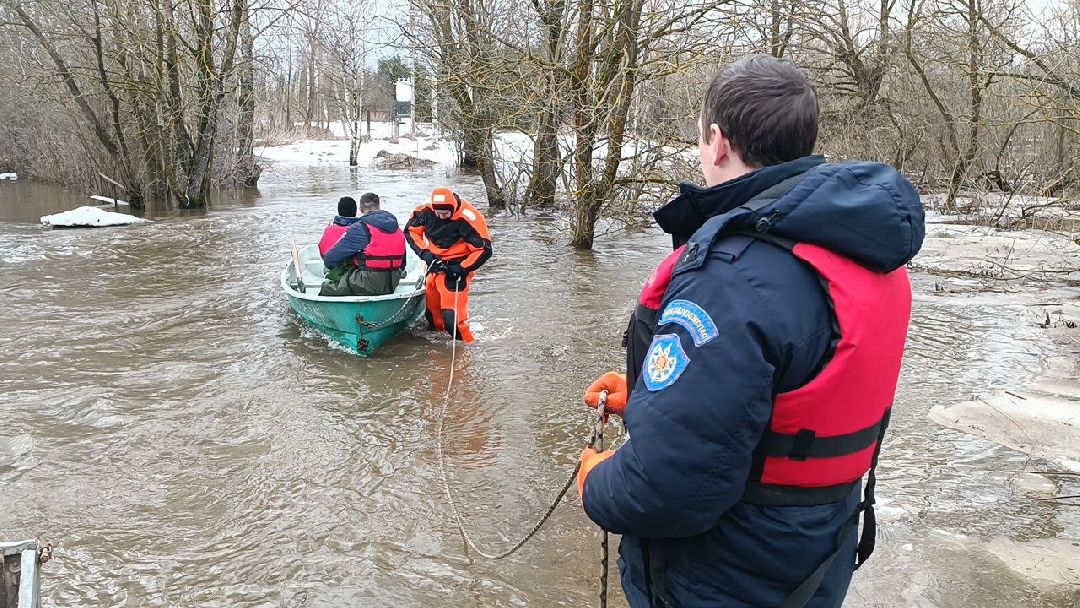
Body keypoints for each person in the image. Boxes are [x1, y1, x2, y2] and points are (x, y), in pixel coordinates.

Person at [576, 56, 925, 608]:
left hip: (724, 571)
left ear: (717, 142)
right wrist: (646, 398)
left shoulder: (732, 275)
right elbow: (790, 390)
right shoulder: (866, 255)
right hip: (817, 552)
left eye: (699, 137)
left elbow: (666, 489)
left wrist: (597, 482)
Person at [404, 187, 492, 342]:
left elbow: (483, 250)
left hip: (457, 269)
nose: (441, 216)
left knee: (452, 320)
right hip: (434, 265)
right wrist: (425, 253)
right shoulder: (425, 211)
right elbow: (411, 231)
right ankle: (438, 356)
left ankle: (467, 349)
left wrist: (461, 268)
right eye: (438, 213)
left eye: (445, 213)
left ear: (453, 208)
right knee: (432, 318)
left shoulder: (468, 217)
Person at [318, 193, 406, 297]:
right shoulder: (397, 228)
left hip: (367, 281)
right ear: (379, 206)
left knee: (327, 288)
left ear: (360, 209)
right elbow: (403, 264)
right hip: (392, 281)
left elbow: (330, 259)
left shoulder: (360, 228)